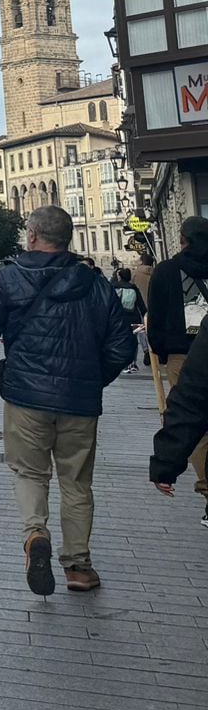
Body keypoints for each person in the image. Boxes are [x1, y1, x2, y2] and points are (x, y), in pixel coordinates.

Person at [0, 205, 134, 596]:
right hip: (79, 401)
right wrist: (92, 379)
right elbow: (123, 344)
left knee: (30, 473)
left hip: (26, 397)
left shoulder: (9, 278)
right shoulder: (94, 282)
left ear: (33, 236)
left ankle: (36, 534)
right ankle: (78, 566)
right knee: (76, 483)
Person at [147, 218, 208, 509]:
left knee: (193, 418)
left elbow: (155, 317)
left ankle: (206, 484)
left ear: (182, 239)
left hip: (182, 354)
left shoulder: (167, 271)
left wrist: (160, 352)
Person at [113, 266, 146, 376]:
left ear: (119, 276)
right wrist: (145, 315)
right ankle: (132, 363)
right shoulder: (133, 288)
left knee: (120, 340)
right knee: (133, 341)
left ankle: (121, 362)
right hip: (133, 317)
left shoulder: (114, 287)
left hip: (119, 319)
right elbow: (141, 305)